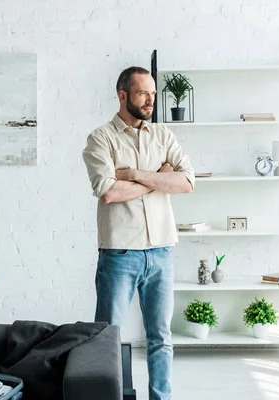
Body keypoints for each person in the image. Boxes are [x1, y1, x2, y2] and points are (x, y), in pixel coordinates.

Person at [82, 67, 194, 400]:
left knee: (161, 337)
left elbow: (187, 182)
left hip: (161, 252)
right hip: (119, 254)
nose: (150, 100)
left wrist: (132, 174)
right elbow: (108, 192)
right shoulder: (100, 138)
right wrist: (158, 178)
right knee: (107, 338)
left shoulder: (164, 136)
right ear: (122, 96)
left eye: (153, 94)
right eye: (143, 93)